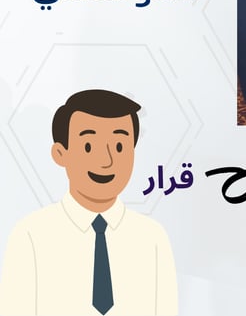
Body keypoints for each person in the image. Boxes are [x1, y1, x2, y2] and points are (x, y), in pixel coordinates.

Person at [0, 89, 178, 315]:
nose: (106, 160)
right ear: (60, 153)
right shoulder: (31, 236)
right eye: (88, 146)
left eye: (119, 146)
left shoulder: (152, 239)